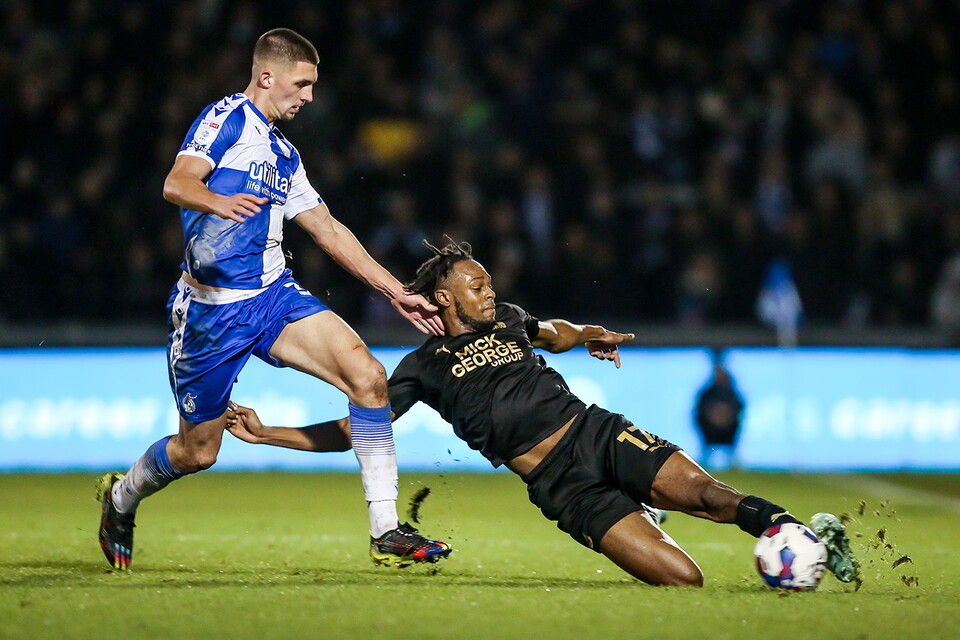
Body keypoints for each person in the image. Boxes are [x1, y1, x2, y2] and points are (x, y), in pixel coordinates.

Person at [223, 239, 860, 586]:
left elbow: (551, 330)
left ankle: (807, 535)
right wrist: (267, 434)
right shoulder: (420, 367)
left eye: (489, 283)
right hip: (559, 485)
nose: (490, 290)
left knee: (703, 493)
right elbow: (354, 432)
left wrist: (588, 334)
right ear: (443, 297)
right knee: (682, 579)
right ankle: (642, 514)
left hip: (596, 433)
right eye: (477, 285)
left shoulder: (505, 320)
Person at [96, 29, 451, 571]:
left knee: (369, 377)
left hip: (273, 298)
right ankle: (121, 497)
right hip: (211, 313)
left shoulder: (285, 154)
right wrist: (217, 199)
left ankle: (386, 530)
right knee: (199, 453)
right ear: (268, 77)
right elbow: (176, 183)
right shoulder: (227, 119)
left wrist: (398, 293)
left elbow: (328, 230)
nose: (309, 96)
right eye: (302, 83)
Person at [692, 353, 745, 471]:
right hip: (709, 427)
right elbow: (699, 407)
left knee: (737, 422)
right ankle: (705, 456)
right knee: (699, 419)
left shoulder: (731, 392)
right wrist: (712, 415)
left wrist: (725, 415)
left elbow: (740, 406)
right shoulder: (707, 391)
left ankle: (732, 459)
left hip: (729, 427)